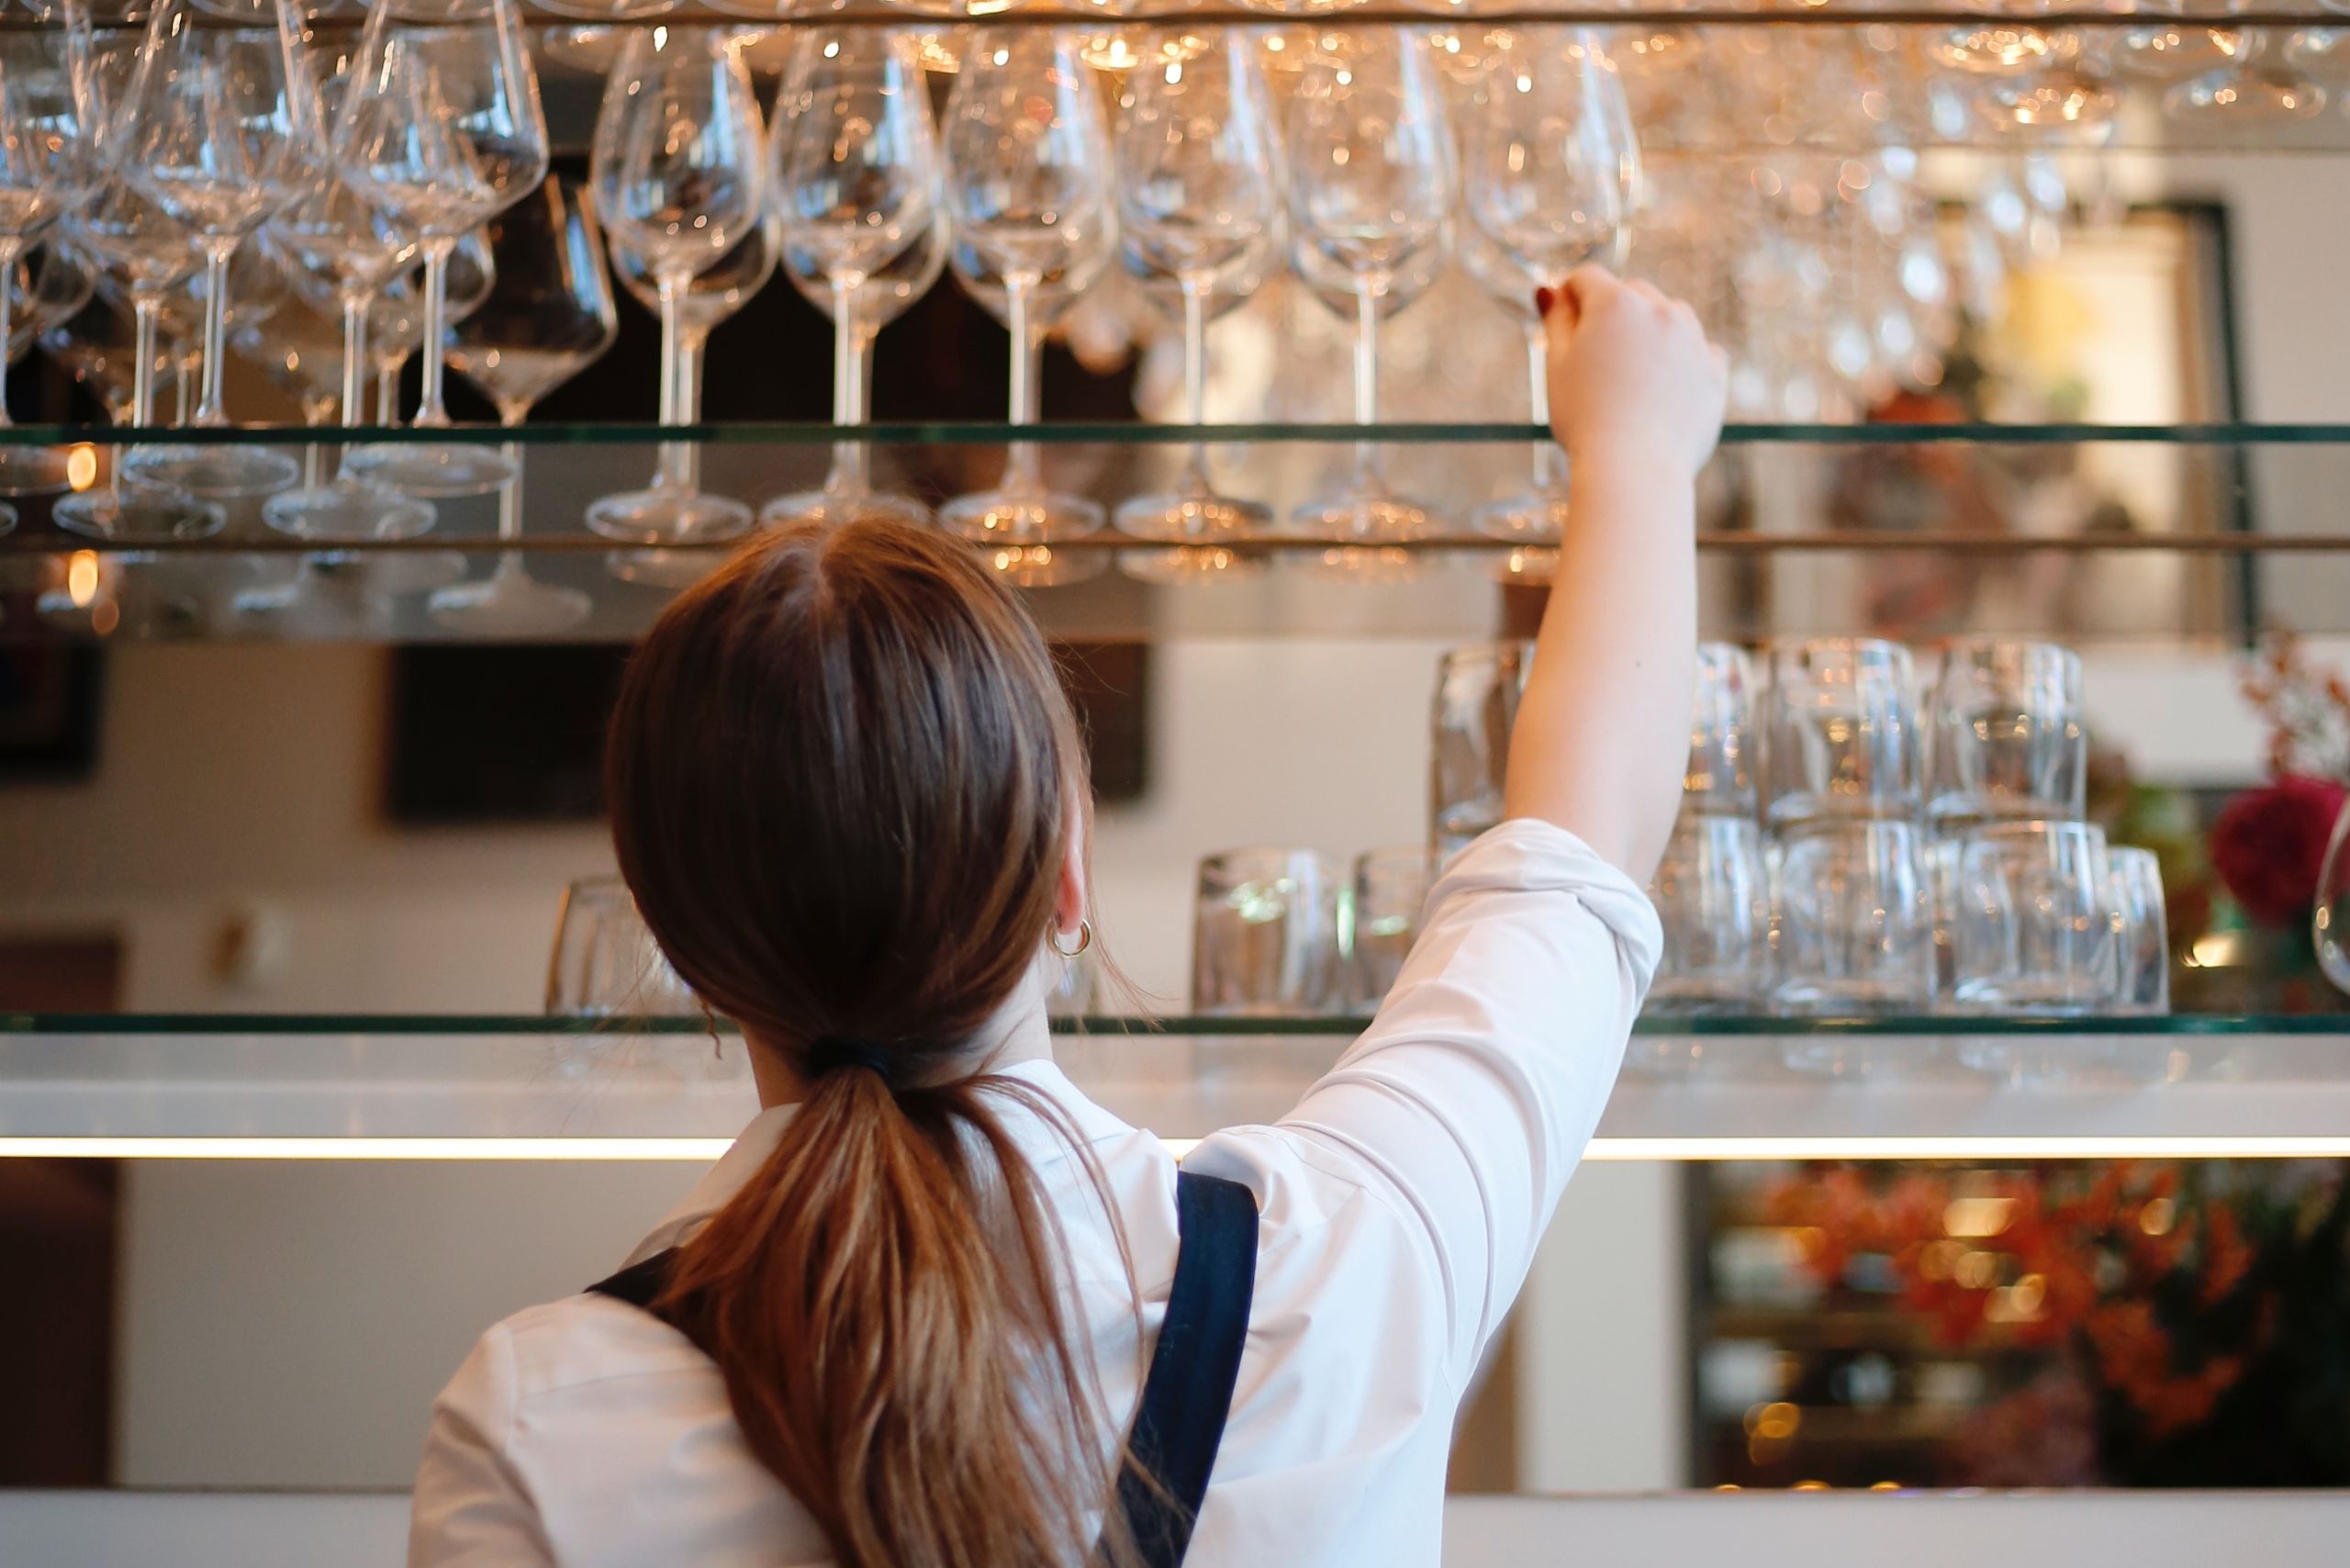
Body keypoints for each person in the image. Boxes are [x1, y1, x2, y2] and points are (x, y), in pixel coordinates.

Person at [408, 265, 1727, 1568]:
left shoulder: (538, 1421)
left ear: (682, 945)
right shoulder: (1351, 1258)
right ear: (1069, 879)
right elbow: (1573, 854)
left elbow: (1568, 862)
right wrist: (1638, 451)